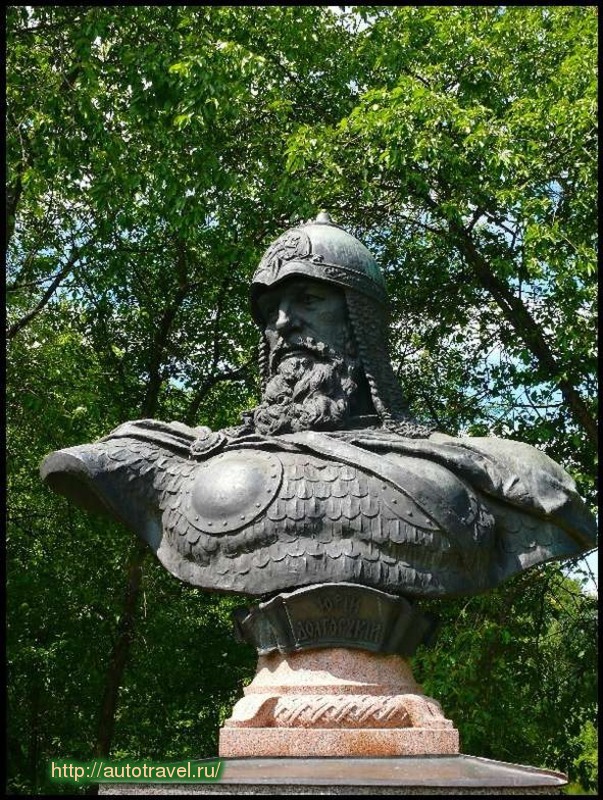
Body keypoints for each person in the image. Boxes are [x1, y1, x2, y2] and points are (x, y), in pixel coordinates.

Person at [40, 213, 596, 599]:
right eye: (271, 310)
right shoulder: (168, 453)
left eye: (307, 299)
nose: (283, 323)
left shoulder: (492, 470)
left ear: (359, 322)